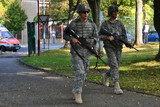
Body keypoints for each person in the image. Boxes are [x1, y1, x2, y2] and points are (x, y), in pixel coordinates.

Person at [63, 3, 99, 104]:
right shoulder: (74, 24)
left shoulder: (92, 25)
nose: (86, 14)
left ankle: (75, 90)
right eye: (84, 12)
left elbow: (96, 38)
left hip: (87, 53)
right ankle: (78, 94)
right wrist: (72, 39)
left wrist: (95, 49)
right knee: (80, 72)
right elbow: (65, 35)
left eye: (87, 12)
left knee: (84, 73)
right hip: (76, 52)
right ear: (79, 13)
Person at [99, 5, 131, 95]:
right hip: (109, 47)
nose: (116, 13)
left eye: (116, 11)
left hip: (118, 47)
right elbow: (99, 36)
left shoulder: (120, 23)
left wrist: (127, 43)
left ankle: (106, 75)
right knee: (114, 65)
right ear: (110, 13)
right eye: (114, 12)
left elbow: (124, 35)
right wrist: (107, 37)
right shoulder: (105, 24)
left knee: (117, 64)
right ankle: (116, 86)